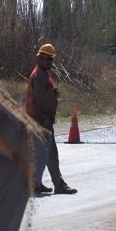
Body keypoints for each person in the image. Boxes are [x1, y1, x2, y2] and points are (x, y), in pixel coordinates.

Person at [27, 43, 77, 195]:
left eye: (51, 59)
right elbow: (40, 100)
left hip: (38, 120)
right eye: (46, 59)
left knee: (39, 153)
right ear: (39, 58)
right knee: (51, 153)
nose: (49, 62)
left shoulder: (43, 73)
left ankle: (35, 184)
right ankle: (59, 184)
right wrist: (45, 119)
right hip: (40, 121)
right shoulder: (40, 76)